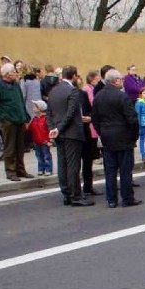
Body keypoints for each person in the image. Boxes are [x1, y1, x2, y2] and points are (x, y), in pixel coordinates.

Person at [92, 69, 141, 208]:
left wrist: (102, 132)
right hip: (124, 137)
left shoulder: (99, 96)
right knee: (125, 170)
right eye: (121, 79)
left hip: (107, 137)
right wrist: (134, 136)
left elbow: (95, 119)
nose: (123, 81)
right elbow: (132, 119)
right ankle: (127, 198)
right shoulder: (122, 96)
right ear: (116, 81)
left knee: (110, 171)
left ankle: (111, 199)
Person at [48, 65, 92, 206]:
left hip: (58, 132)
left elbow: (48, 113)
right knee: (73, 165)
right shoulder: (72, 91)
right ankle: (75, 195)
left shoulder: (53, 91)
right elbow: (71, 112)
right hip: (72, 132)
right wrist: (59, 128)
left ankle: (66, 193)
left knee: (62, 163)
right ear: (73, 76)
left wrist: (53, 128)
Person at [0, 63, 32, 181]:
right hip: (8, 121)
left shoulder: (16, 85)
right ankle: (11, 171)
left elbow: (20, 102)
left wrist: (25, 116)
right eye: (13, 72)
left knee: (20, 147)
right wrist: (2, 117)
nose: (15, 73)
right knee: (10, 147)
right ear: (7, 74)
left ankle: (20, 170)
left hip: (20, 119)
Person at [29, 100, 52, 175]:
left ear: (40, 108)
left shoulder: (45, 119)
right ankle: (41, 168)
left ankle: (48, 169)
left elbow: (49, 130)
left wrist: (50, 140)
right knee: (39, 156)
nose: (33, 108)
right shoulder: (34, 119)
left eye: (35, 106)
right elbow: (31, 128)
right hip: (36, 141)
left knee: (46, 156)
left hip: (45, 141)